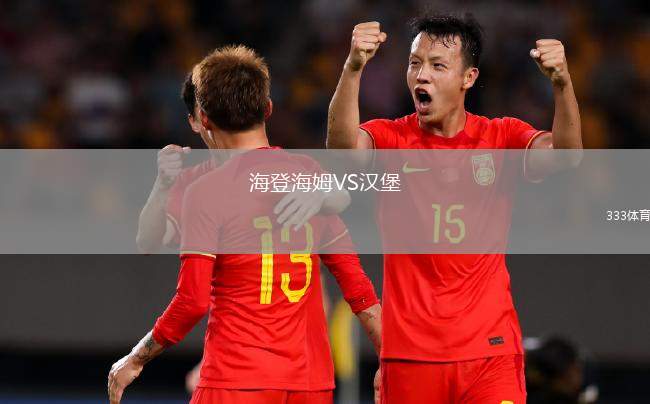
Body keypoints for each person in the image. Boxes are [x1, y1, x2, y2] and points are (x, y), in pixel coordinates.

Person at [327, 13, 582, 404]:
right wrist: (353, 67)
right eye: (415, 63)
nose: (421, 76)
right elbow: (342, 148)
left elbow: (567, 157)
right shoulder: (391, 138)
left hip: (489, 352)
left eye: (437, 65)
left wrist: (562, 83)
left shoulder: (501, 137)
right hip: (411, 356)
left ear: (468, 78)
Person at [109, 45, 382, 404]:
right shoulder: (308, 178)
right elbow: (357, 286)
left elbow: (191, 301)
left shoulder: (205, 191)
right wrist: (388, 358)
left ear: (201, 119)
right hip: (310, 383)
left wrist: (136, 358)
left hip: (236, 379)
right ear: (267, 108)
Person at [136, 70, 345, 393]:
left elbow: (340, 195)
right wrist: (162, 185)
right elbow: (149, 241)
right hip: (256, 362)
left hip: (282, 367)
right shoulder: (195, 186)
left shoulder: (287, 170)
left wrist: (320, 192)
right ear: (196, 121)